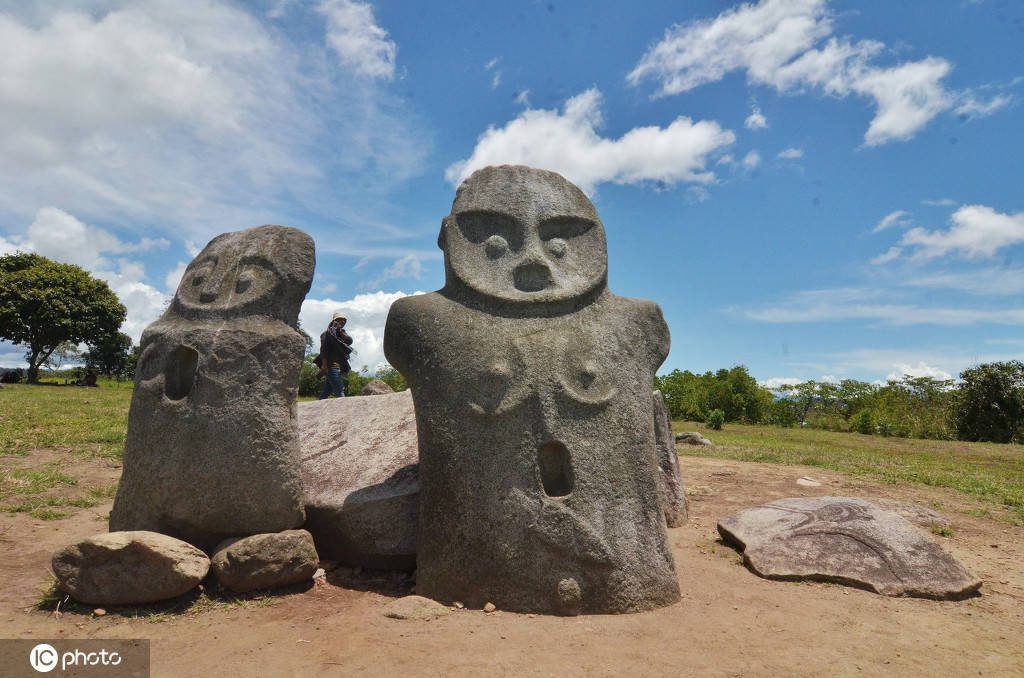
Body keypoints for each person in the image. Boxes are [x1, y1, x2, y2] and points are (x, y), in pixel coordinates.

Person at [317, 312, 353, 399]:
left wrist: (340, 331)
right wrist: (324, 366)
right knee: (340, 389)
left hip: (339, 366)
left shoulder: (341, 334)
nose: (342, 322)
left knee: (327, 390)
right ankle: (344, 409)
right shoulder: (326, 334)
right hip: (330, 366)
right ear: (334, 321)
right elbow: (324, 351)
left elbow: (350, 341)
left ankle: (315, 408)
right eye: (340, 320)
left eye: (344, 320)